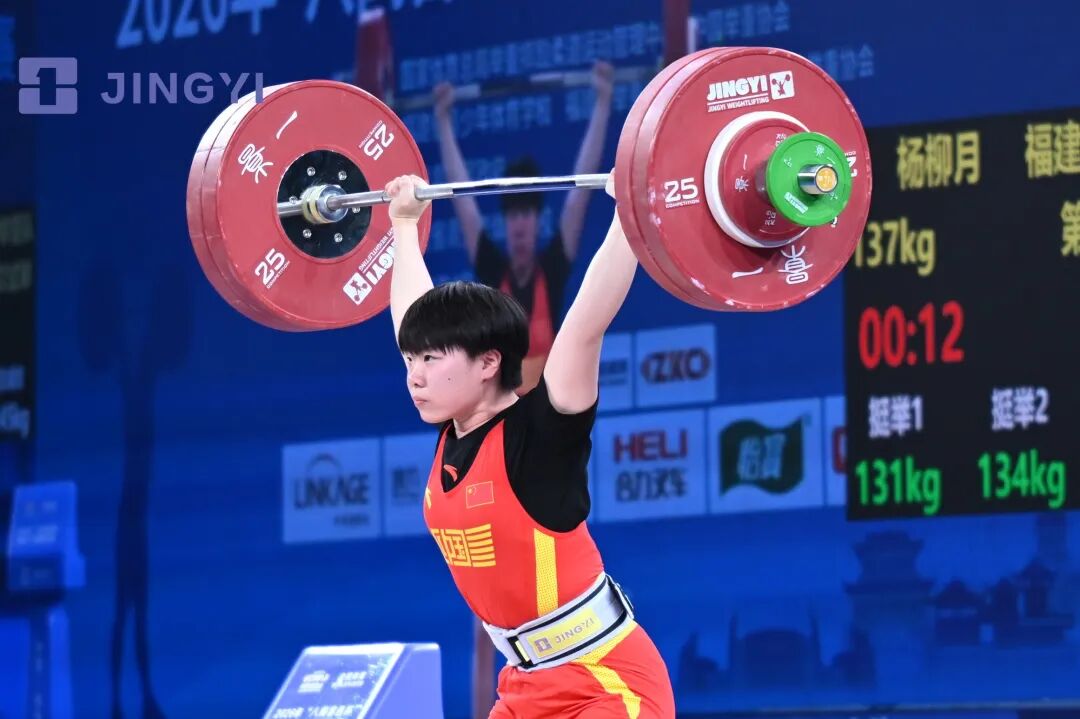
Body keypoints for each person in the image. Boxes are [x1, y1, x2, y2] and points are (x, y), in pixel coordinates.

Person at [385, 172, 676, 719]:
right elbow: (412, 315)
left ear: (489, 362)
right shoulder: (453, 432)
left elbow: (586, 326)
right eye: (410, 361)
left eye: (430, 360)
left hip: (606, 682)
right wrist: (403, 225)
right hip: (524, 689)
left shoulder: (540, 435)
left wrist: (627, 216)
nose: (414, 376)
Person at [432, 60, 615, 393]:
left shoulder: (554, 267)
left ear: (537, 221)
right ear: (505, 222)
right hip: (502, 407)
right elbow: (462, 201)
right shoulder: (491, 270)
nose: (519, 225)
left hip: (549, 405)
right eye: (513, 215)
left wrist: (603, 102)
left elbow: (579, 195)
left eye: (526, 215)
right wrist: (443, 121)